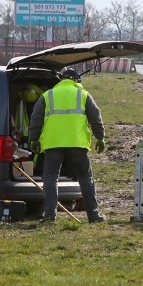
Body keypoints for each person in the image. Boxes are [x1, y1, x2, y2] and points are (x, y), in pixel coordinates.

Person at [28, 68, 107, 223]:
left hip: (53, 143)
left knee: (51, 179)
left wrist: (34, 139)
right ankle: (93, 215)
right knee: (85, 179)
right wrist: (100, 137)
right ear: (76, 80)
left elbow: (35, 119)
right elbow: (95, 117)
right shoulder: (83, 95)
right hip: (77, 144)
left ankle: (50, 216)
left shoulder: (48, 95)